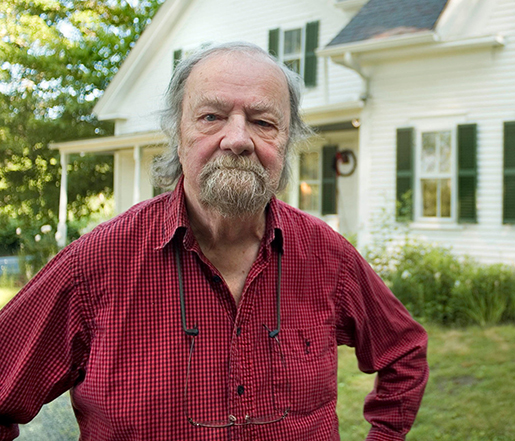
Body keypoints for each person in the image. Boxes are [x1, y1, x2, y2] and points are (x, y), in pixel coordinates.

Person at [0, 42, 428, 440]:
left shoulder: (326, 255)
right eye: (211, 117)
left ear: (287, 142)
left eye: (263, 122)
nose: (238, 139)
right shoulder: (96, 264)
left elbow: (403, 352)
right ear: (178, 134)